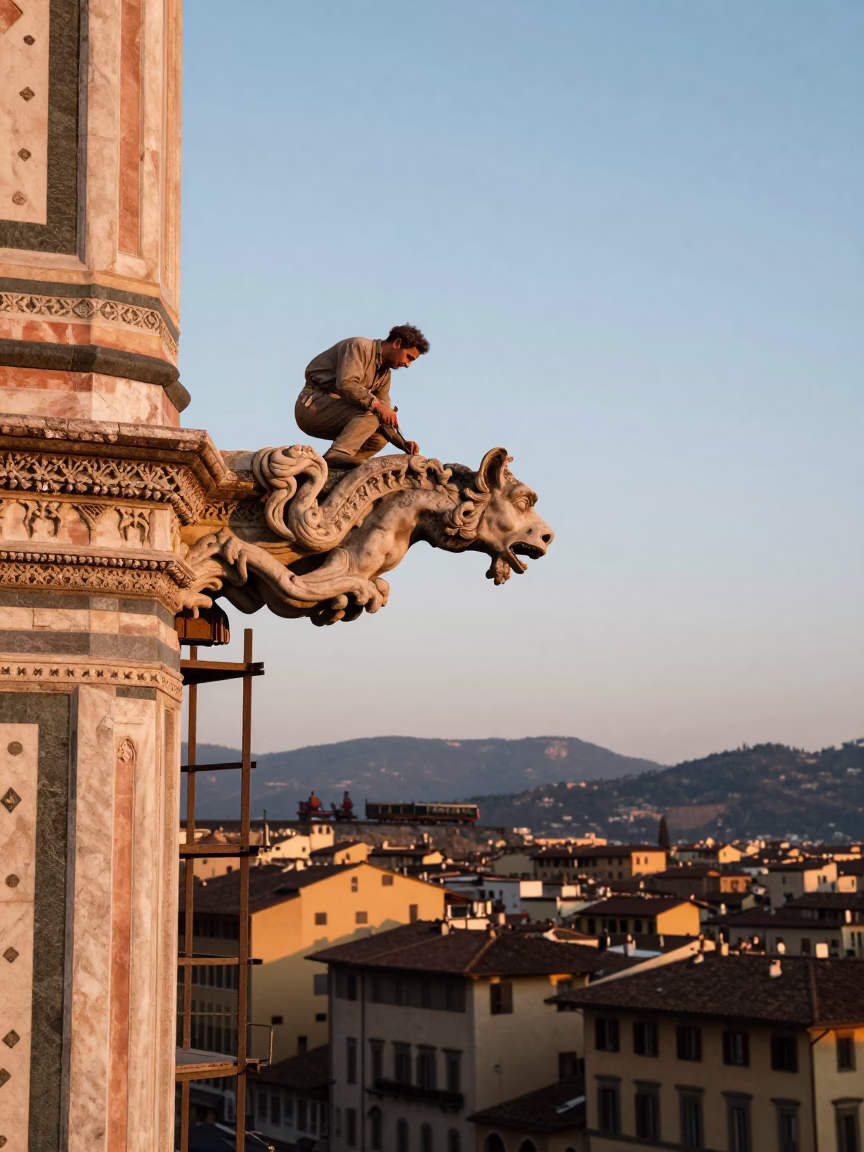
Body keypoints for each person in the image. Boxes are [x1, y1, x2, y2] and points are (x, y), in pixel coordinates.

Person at [296, 325, 430, 469]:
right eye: (409, 357)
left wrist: (402, 443)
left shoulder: (384, 375)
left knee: (380, 438)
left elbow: (385, 417)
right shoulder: (359, 347)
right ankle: (337, 454)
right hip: (312, 406)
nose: (408, 365)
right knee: (374, 412)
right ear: (397, 344)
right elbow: (346, 384)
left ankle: (340, 469)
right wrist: (378, 406)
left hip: (336, 411)